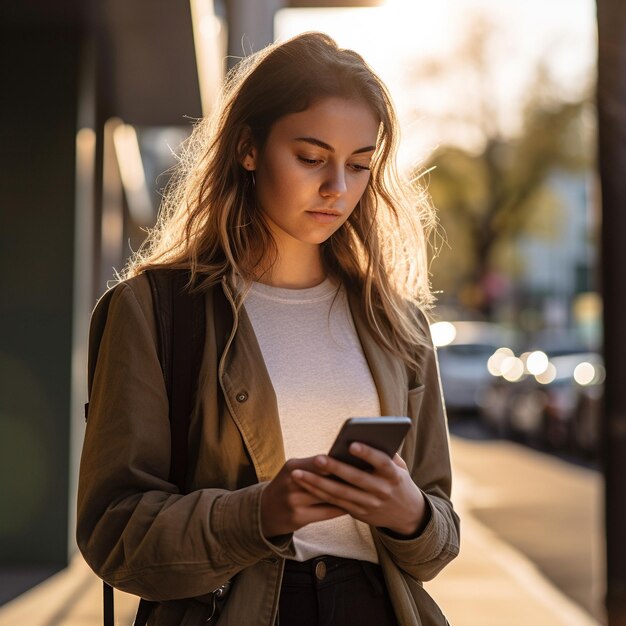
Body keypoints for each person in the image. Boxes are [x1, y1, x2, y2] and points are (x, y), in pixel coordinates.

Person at [77, 31, 460, 626]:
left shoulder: (397, 321)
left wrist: (410, 514)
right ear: (249, 148)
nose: (337, 188)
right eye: (311, 158)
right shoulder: (154, 309)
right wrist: (260, 513)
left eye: (359, 165)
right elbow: (113, 533)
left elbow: (441, 532)